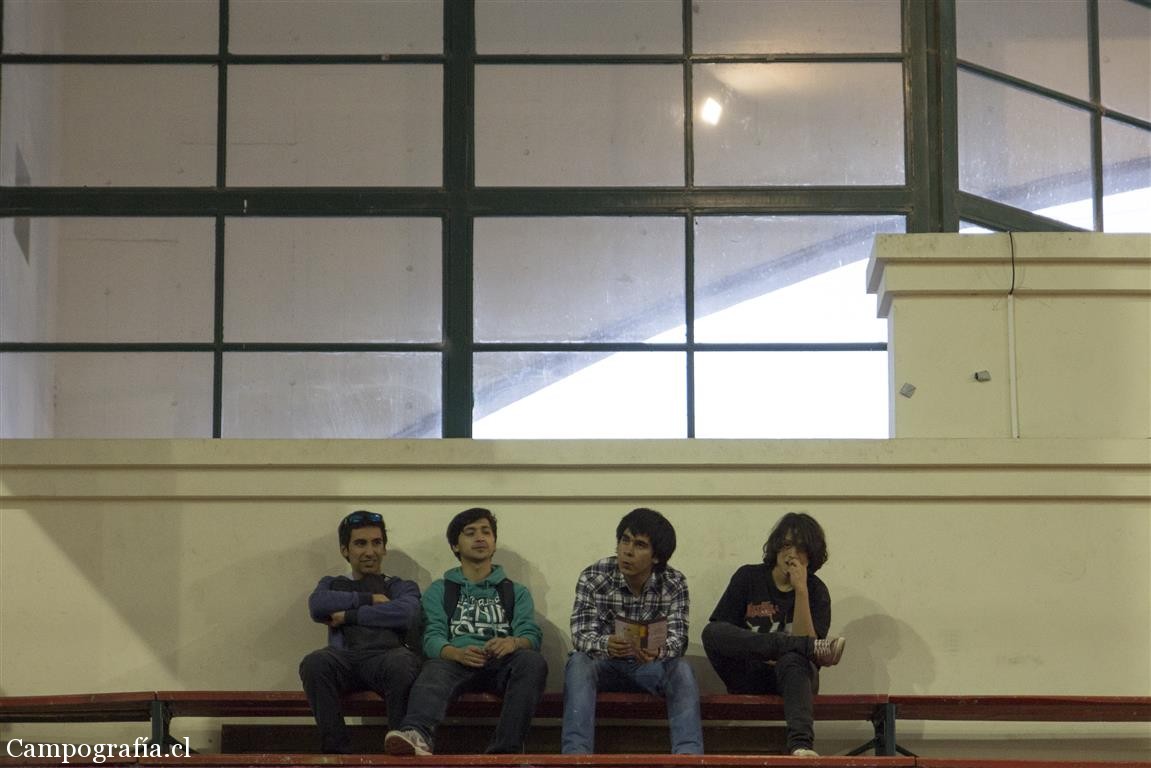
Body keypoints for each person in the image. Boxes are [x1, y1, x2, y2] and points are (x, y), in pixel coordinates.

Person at [384, 508, 547, 756]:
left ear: (494, 542)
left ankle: (505, 751)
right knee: (433, 668)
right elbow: (432, 638)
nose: (480, 538)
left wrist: (513, 643)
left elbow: (531, 635)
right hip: (456, 661)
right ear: (455, 546)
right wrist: (456, 653)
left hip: (502, 662)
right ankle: (417, 734)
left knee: (532, 662)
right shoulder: (440, 590)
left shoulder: (516, 591)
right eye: (470, 533)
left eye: (486, 532)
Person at [701, 512, 847, 757]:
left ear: (811, 555)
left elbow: (810, 659)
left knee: (795, 659)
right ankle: (793, 645)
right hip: (748, 674)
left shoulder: (816, 590)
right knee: (712, 631)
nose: (791, 554)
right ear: (776, 545)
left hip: (793, 679)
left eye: (801, 548)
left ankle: (801, 746)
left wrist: (801, 590)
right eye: (787, 545)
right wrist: (775, 648)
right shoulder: (748, 577)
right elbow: (724, 636)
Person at [561, 507, 703, 755]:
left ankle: (688, 756)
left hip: (650, 668)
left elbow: (678, 639)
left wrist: (658, 652)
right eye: (624, 541)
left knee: (681, 668)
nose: (627, 551)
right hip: (605, 665)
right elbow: (581, 635)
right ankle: (576, 756)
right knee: (578, 662)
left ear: (656, 557)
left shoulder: (674, 582)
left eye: (640, 545)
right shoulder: (594, 575)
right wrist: (606, 644)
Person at [299, 510, 423, 754]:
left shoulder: (399, 585)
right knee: (314, 663)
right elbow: (318, 605)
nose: (370, 551)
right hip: (344, 659)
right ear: (345, 550)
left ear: (384, 548)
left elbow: (407, 613)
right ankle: (336, 753)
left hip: (387, 658)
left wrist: (349, 615)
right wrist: (369, 599)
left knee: (403, 662)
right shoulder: (332, 583)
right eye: (360, 543)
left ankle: (400, 751)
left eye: (377, 543)